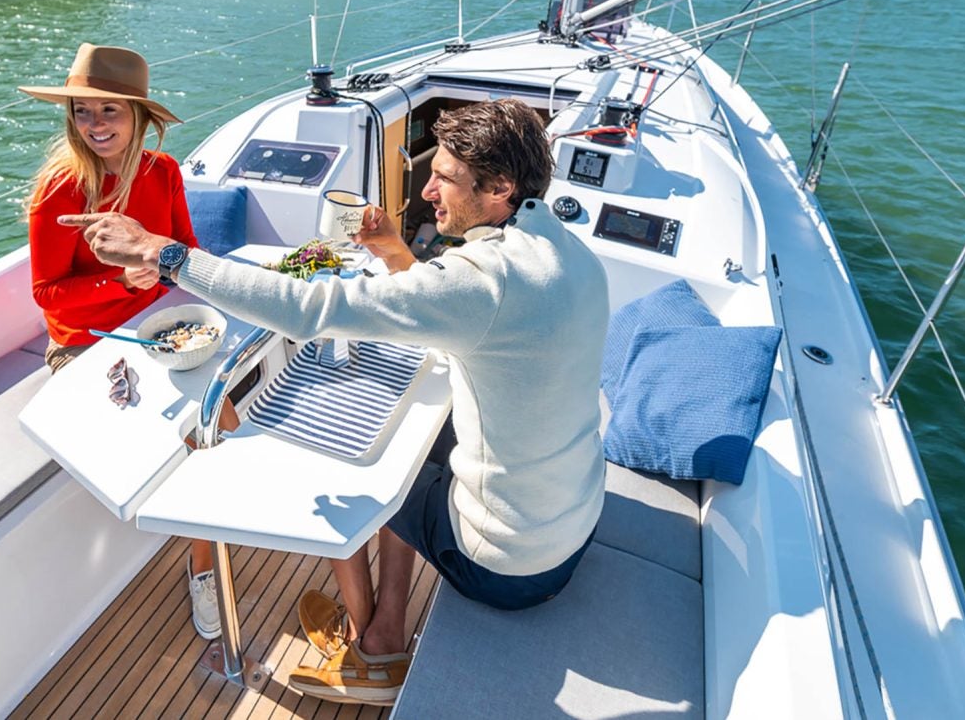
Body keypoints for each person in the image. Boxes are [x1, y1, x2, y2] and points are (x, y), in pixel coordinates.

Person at [61, 98, 609, 707]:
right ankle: (384, 626)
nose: (427, 189)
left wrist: (162, 256)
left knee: (353, 479)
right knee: (420, 446)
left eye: (445, 178)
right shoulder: (562, 247)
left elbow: (312, 310)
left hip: (507, 568)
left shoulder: (484, 282)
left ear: (501, 187)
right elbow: (458, 318)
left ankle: (372, 645)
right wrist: (396, 253)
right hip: (572, 524)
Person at [20, 42, 238, 643]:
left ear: (139, 117)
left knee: (221, 425)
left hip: (166, 326)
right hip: (87, 344)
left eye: (109, 111)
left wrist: (166, 268)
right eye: (83, 113)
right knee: (195, 433)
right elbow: (48, 296)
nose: (95, 126)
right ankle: (204, 570)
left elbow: (187, 254)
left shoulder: (163, 172)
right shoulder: (57, 190)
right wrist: (117, 278)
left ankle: (201, 557)